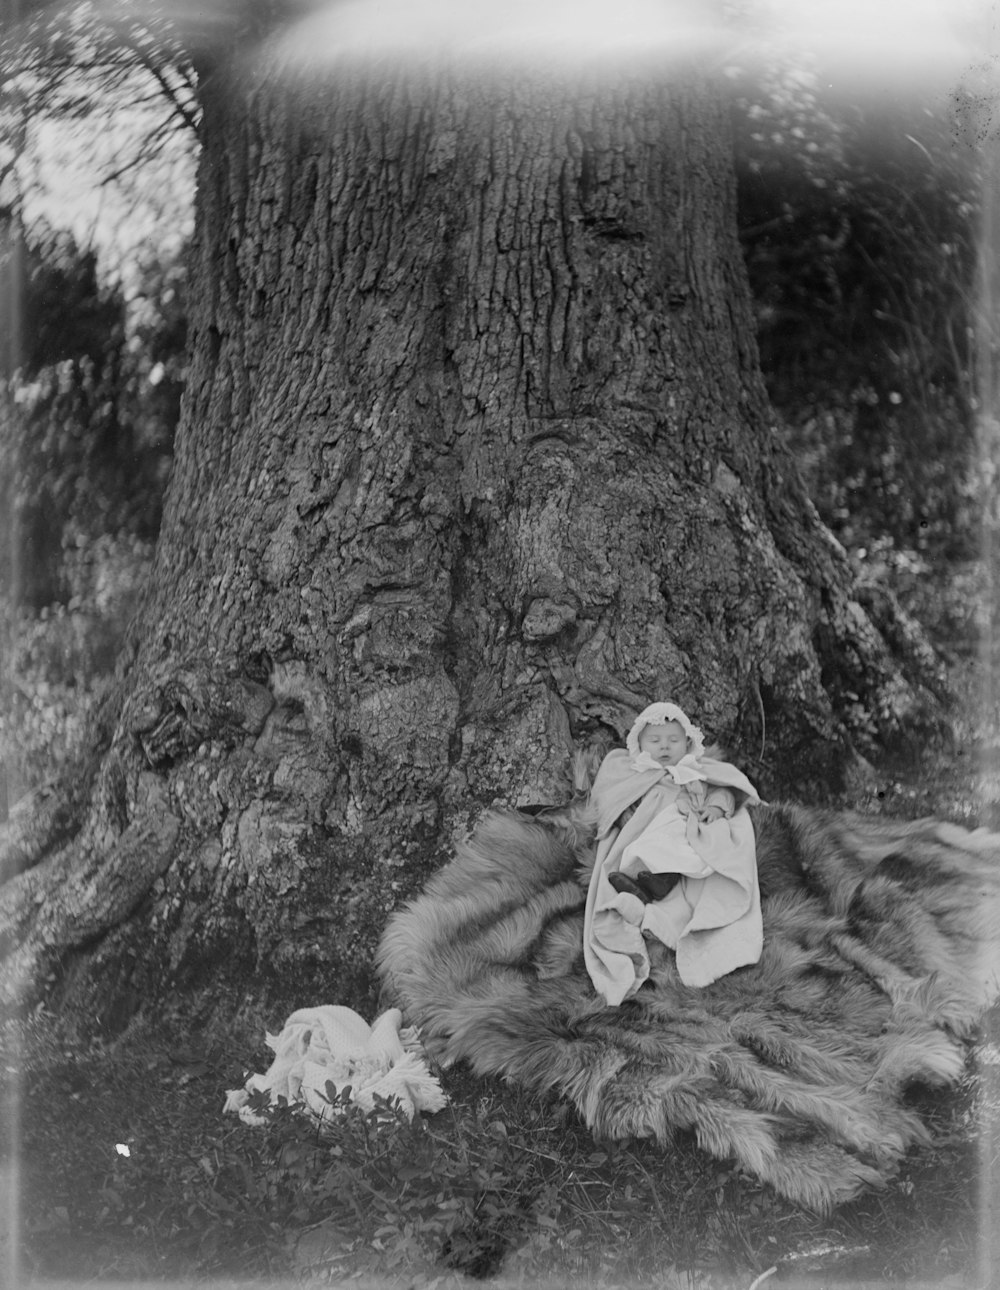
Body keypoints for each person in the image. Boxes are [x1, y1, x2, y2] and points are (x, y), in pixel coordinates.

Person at [582, 702, 763, 1001]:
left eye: (673, 740)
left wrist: (716, 808)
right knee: (642, 849)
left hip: (684, 827)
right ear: (639, 744)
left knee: (679, 856)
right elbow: (612, 798)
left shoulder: (697, 771)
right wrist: (626, 816)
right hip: (648, 832)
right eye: (655, 741)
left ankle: (656, 887)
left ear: (688, 742)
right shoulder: (633, 771)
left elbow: (726, 789)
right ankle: (639, 889)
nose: (664, 747)